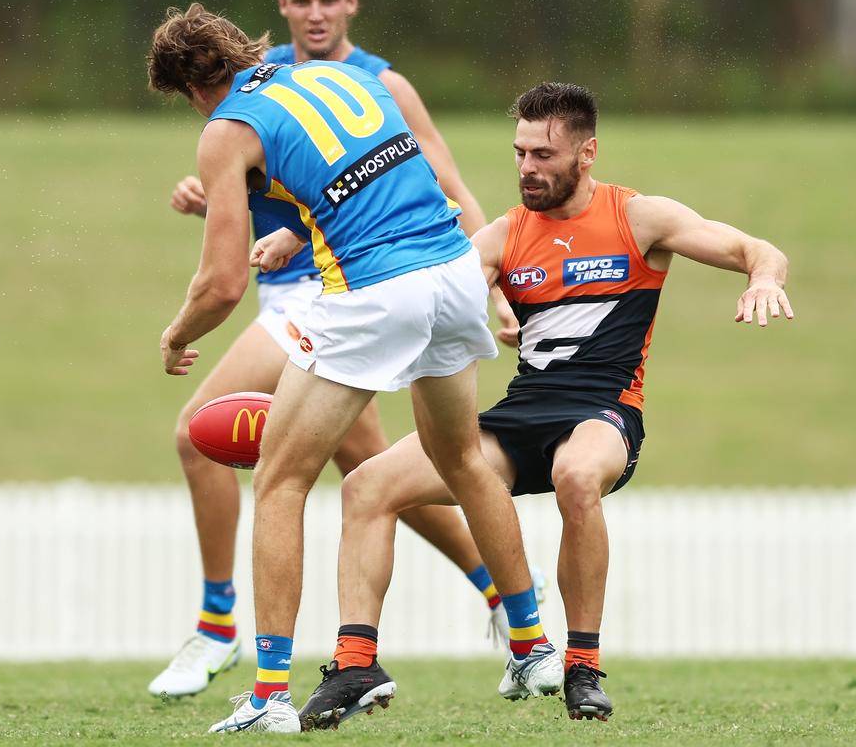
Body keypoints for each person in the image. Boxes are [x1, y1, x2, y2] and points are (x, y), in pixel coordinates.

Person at [291, 81, 795, 726]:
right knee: (366, 487)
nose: (528, 168)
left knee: (576, 478)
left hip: (603, 411)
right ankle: (356, 664)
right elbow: (421, 287)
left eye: (544, 155)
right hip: (520, 412)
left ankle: (581, 666)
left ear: (587, 154)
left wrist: (763, 280)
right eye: (520, 153)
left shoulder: (638, 217)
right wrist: (303, 245)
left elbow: (756, 249)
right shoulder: (505, 234)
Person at [147, 4, 561, 734]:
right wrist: (291, 237)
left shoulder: (225, 129)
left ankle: (269, 692)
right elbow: (375, 181)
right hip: (452, 273)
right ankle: (532, 646)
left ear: (192, 87)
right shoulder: (341, 80)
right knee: (461, 459)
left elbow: (220, 287)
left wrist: (180, 334)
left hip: (376, 294)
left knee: (281, 480)